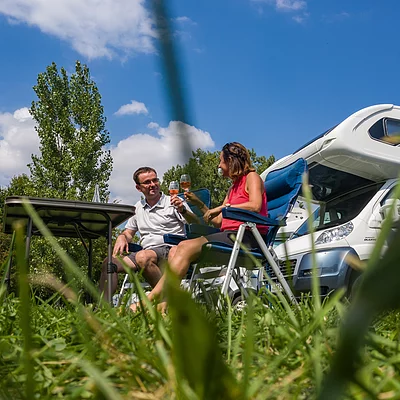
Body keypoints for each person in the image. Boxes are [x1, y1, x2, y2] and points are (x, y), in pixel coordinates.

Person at [140, 142, 268, 310]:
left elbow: (255, 205)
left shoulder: (252, 177)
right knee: (177, 249)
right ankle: (163, 307)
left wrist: (222, 207)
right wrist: (200, 204)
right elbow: (218, 221)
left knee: (185, 246)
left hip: (248, 239)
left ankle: (149, 300)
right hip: (231, 237)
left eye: (221, 160)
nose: (219, 165)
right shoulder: (232, 188)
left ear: (231, 160)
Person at [99, 166, 198, 300]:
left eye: (155, 180)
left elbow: (197, 224)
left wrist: (183, 210)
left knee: (143, 257)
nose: (153, 185)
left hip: (170, 249)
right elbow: (129, 232)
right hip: (146, 251)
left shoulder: (173, 202)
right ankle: (103, 309)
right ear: (138, 188)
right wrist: (122, 237)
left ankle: (167, 301)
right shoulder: (138, 207)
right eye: (147, 182)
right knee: (109, 263)